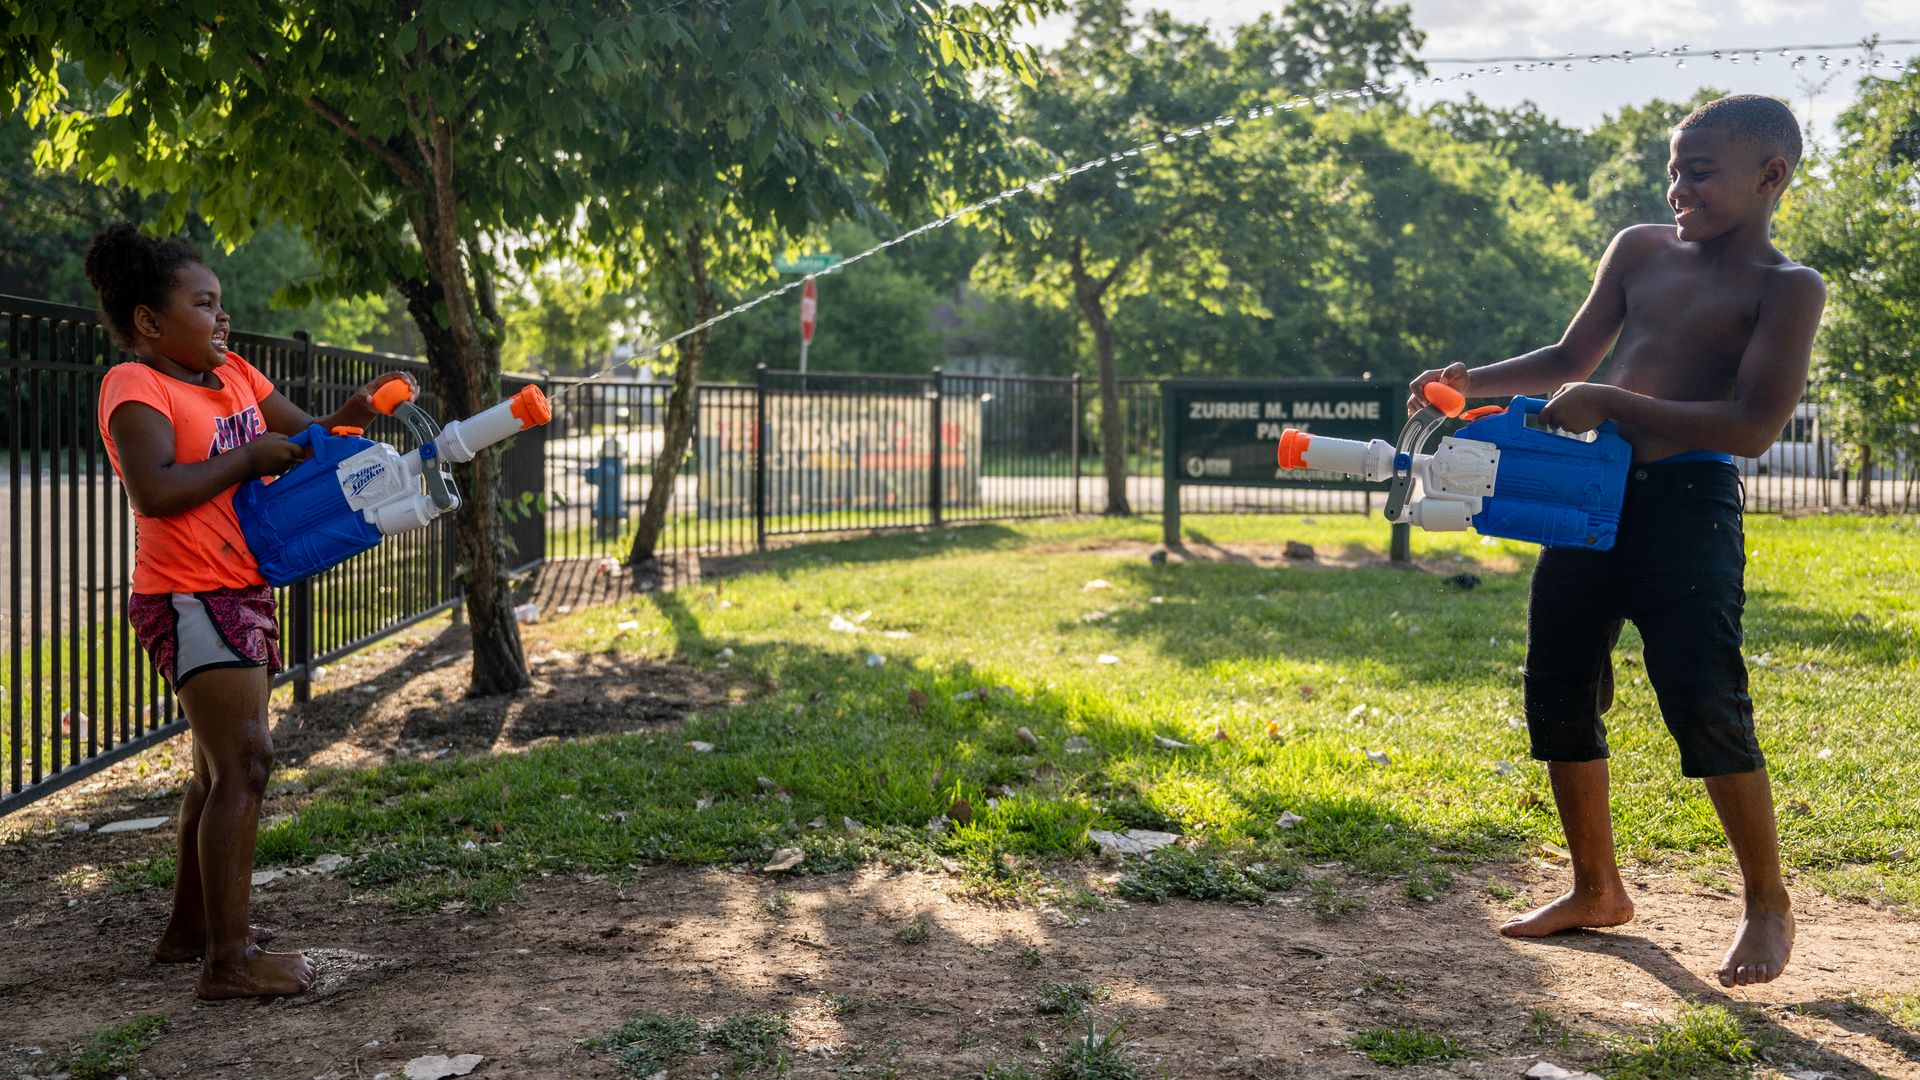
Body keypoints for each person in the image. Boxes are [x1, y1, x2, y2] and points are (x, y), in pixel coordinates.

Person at [1407, 95, 1825, 988]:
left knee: (1704, 693)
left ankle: (1766, 903)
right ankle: (1596, 888)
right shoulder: (1640, 250)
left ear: (1771, 176)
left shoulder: (1786, 289)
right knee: (1557, 684)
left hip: (1687, 503)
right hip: (1586, 499)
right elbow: (1568, 360)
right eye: (1673, 169)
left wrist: (1615, 405)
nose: (1678, 187)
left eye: (1700, 171)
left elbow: (1752, 426)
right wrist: (1466, 381)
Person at [85, 222, 417, 998]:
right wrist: (244, 458)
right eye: (204, 303)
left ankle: (191, 932)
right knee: (247, 763)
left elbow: (304, 444)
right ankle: (227, 966)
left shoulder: (234, 373)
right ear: (149, 322)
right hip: (188, 592)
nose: (222, 317)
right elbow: (155, 491)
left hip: (240, 586)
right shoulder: (136, 386)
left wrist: (353, 414)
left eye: (221, 302)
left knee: (214, 772)